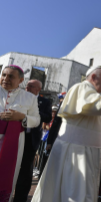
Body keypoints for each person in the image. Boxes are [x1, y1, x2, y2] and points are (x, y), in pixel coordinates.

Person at [31, 66, 101, 202]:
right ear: (93, 77)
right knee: (74, 193)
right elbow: (98, 106)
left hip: (83, 151)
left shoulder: (91, 93)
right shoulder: (83, 88)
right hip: (76, 152)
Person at [0, 65, 40, 202]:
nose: (5, 79)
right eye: (3, 75)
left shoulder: (30, 98)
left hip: (14, 142)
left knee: (8, 176)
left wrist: (22, 117)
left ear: (21, 80)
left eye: (11, 76)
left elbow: (36, 121)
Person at [14, 79, 52, 202]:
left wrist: (34, 111)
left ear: (38, 89)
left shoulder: (45, 102)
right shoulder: (19, 97)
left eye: (31, 86)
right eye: (27, 85)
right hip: (16, 137)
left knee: (25, 170)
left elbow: (48, 117)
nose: (27, 88)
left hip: (31, 140)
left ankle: (20, 198)